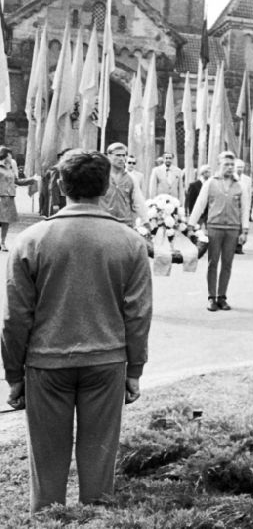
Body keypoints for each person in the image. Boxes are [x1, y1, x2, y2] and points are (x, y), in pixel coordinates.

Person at [1, 150, 152, 513]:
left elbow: (14, 318)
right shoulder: (129, 242)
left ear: (60, 185)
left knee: (47, 461)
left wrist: (14, 376)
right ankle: (95, 520)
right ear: (104, 186)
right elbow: (139, 314)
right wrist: (134, 371)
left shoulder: (31, 240)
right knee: (100, 464)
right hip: (106, 362)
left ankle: (49, 520)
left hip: (46, 364)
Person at [187, 151, 251, 312]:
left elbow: (245, 209)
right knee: (213, 262)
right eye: (226, 164)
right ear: (219, 165)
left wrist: (244, 230)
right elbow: (200, 204)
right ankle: (211, 297)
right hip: (214, 227)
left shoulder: (240, 185)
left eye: (232, 164)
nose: (229, 168)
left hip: (233, 228)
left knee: (227, 263)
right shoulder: (210, 183)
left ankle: (222, 296)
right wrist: (190, 225)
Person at [100, 143, 147, 227]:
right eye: (118, 155)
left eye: (124, 155)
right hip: (105, 222)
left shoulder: (131, 178)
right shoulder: (101, 176)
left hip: (125, 224)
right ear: (109, 156)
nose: (122, 159)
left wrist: (145, 221)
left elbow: (138, 202)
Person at [0, 147, 36, 250]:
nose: (11, 157)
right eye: (10, 155)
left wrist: (32, 180)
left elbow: (18, 181)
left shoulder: (10, 168)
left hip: (9, 198)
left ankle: (2, 242)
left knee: (6, 221)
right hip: (1, 197)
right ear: (5, 155)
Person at [233, 160, 253, 254]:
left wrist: (249, 207)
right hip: (233, 206)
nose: (240, 169)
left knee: (242, 226)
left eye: (241, 167)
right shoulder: (231, 178)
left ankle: (239, 246)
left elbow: (249, 194)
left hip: (244, 206)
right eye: (238, 167)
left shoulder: (248, 179)